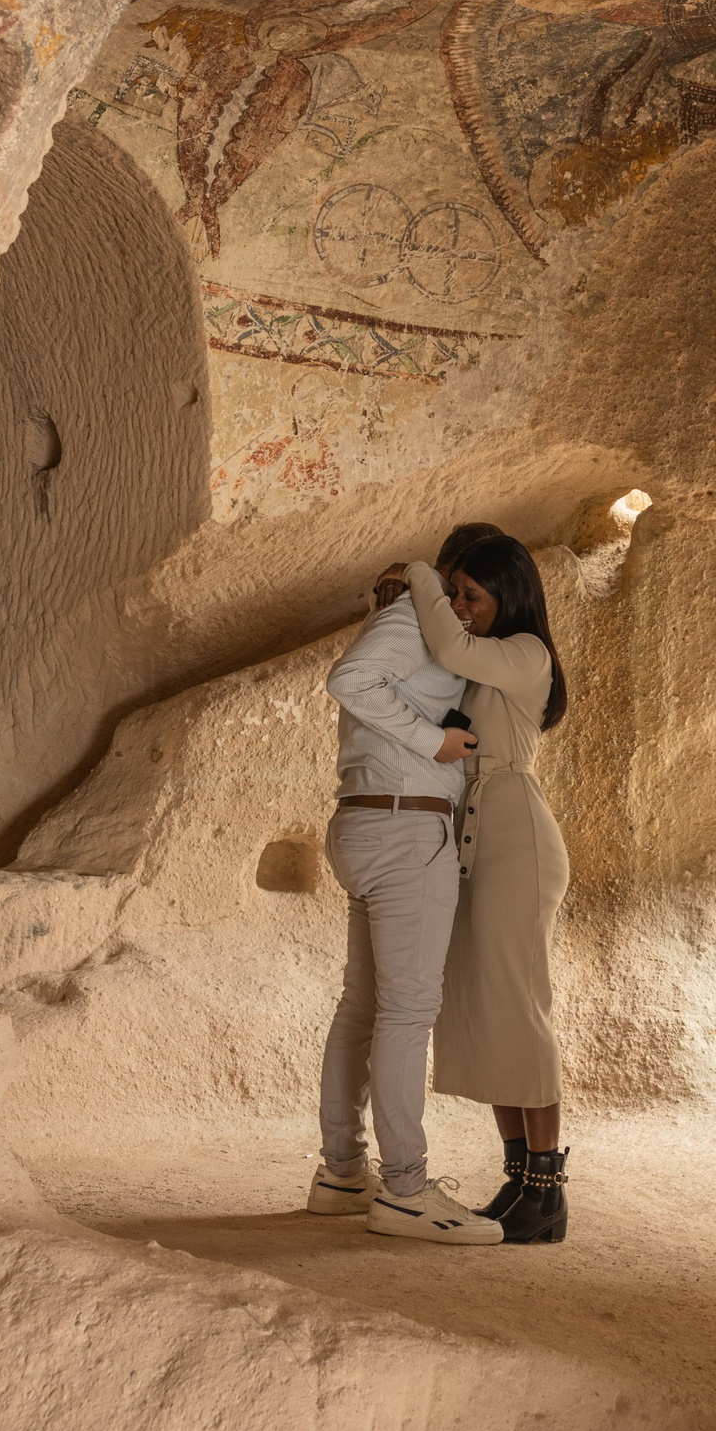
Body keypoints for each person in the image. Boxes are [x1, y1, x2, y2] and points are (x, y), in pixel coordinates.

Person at [306, 521, 509, 1244]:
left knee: (364, 1003)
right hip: (403, 826)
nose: (465, 608)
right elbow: (348, 680)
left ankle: (340, 1173)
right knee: (406, 1010)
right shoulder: (409, 616)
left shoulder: (413, 617)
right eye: (463, 590)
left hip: (371, 822)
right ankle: (405, 1189)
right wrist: (436, 743)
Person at [394, 535, 574, 1244]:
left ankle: (549, 1191)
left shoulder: (525, 651)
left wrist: (417, 574)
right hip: (476, 838)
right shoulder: (486, 658)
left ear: (510, 595)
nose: (460, 608)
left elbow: (448, 647)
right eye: (455, 593)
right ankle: (518, 1177)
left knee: (521, 1009)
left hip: (517, 841)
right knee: (490, 1010)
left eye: (471, 594)